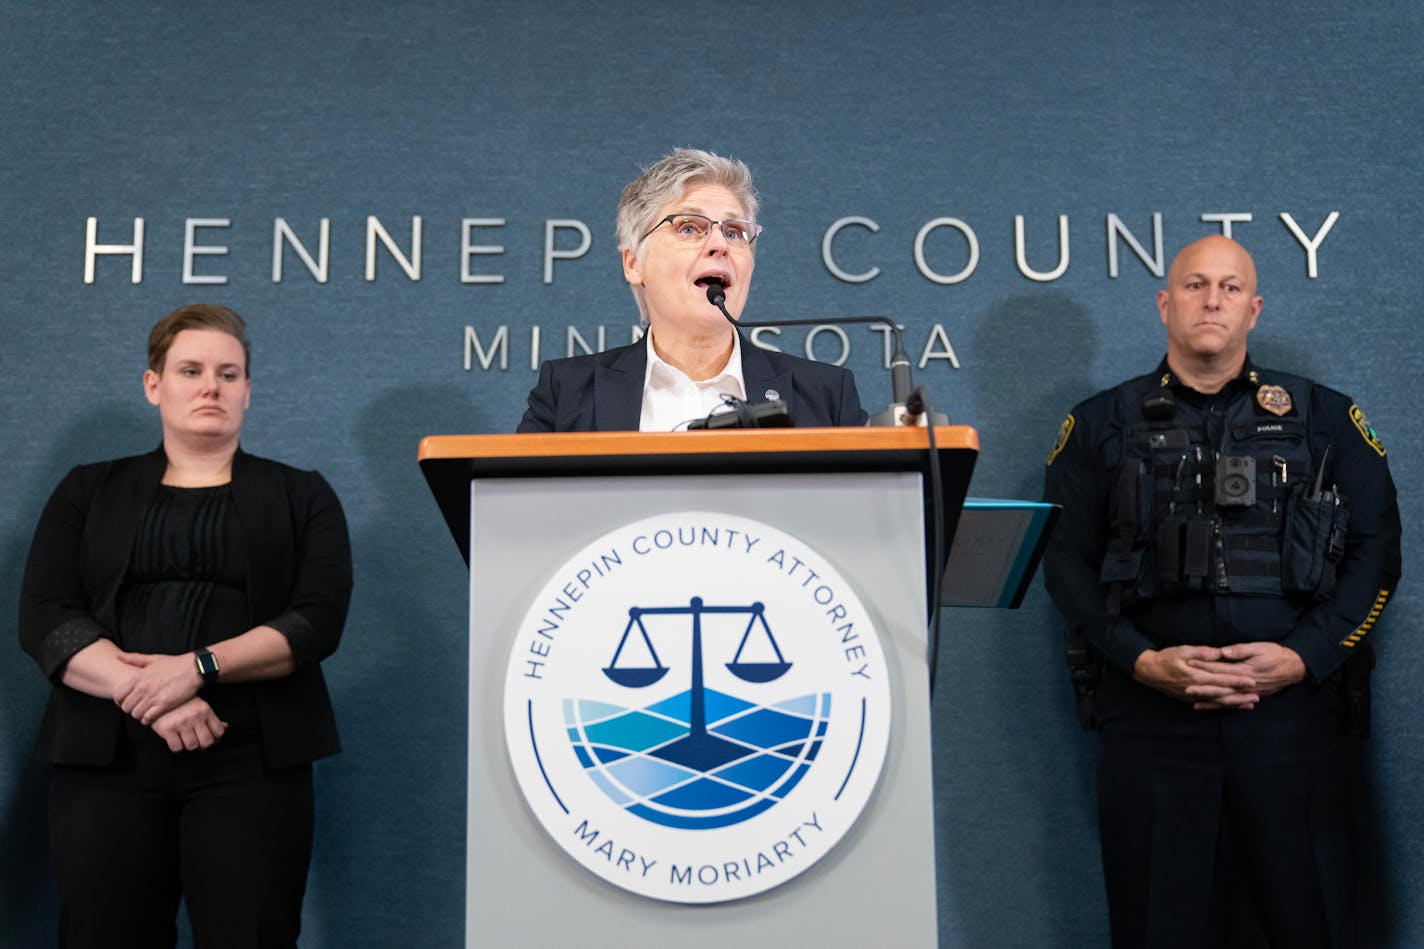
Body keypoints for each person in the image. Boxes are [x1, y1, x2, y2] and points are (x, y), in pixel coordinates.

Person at [1042, 236, 1400, 949]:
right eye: (1196, 284)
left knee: (1313, 926)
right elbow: (1064, 565)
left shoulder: (1325, 418)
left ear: (1255, 307)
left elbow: (1377, 555)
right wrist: (1142, 661)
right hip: (1152, 728)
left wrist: (1305, 657)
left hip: (1293, 725)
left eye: (1231, 288)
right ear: (1163, 302)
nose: (1212, 300)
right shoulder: (1100, 426)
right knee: (1158, 929)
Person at [18, 304, 353, 949]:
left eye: (229, 374)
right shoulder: (87, 490)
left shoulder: (302, 495)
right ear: (154, 385)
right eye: (191, 370)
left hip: (252, 761)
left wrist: (194, 668)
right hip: (103, 759)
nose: (211, 387)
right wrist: (151, 697)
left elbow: (316, 621)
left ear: (248, 392)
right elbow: (45, 618)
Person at [518, 147, 868, 431]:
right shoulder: (566, 394)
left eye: (733, 231)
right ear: (633, 264)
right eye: (689, 227)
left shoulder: (825, 397)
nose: (720, 244)